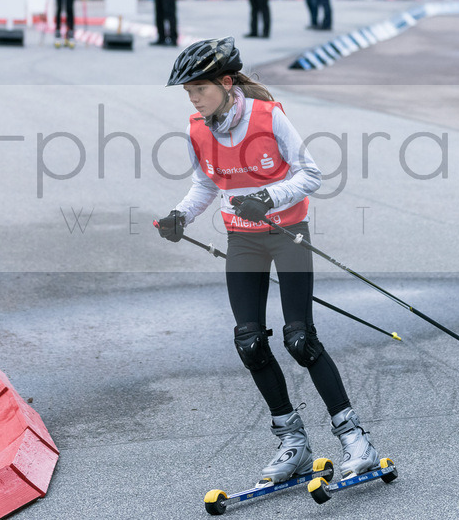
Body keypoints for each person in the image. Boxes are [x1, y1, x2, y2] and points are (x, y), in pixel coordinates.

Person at [158, 37, 383, 486]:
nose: (193, 98)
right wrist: (181, 215)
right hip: (242, 241)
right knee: (250, 343)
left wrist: (267, 197)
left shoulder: (268, 117)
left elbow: (311, 174)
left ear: (226, 83)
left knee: (299, 339)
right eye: (188, 92)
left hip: (287, 235)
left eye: (199, 89)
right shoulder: (197, 129)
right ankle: (292, 443)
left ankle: (355, 437)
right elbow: (206, 183)